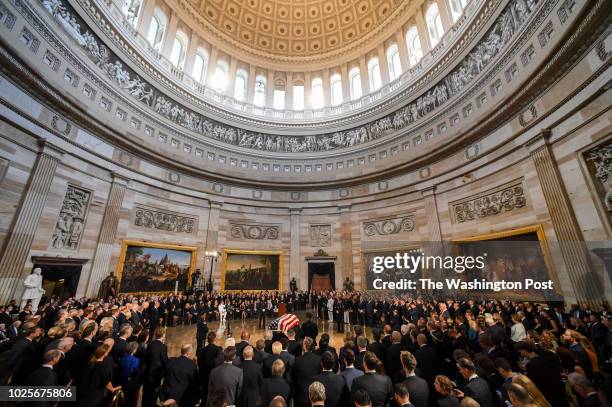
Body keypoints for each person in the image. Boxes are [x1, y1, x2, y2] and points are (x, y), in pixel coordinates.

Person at [76, 342, 121, 407]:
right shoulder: (103, 367)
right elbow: (106, 382)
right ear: (105, 354)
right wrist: (113, 389)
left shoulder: (90, 361)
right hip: (92, 396)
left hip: (81, 391)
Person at [292, 337, 323, 407]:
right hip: (315, 395)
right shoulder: (318, 359)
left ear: (304, 346)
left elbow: (293, 376)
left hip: (300, 395)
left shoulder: (297, 360)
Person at [143, 327, 169, 406]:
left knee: (146, 394)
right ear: (163, 335)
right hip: (156, 374)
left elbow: (146, 358)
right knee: (153, 395)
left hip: (147, 373)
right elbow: (165, 361)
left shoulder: (150, 344)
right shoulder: (163, 347)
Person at [120, 341, 142, 407]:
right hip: (129, 383)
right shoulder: (135, 360)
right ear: (134, 350)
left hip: (120, 381)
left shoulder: (122, 357)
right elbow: (134, 371)